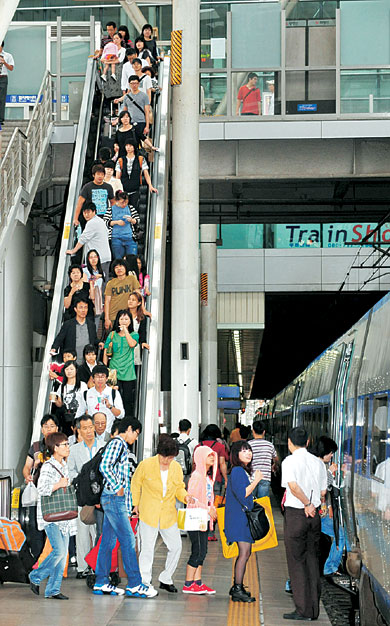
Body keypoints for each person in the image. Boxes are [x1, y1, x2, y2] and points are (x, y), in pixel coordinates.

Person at [93, 416, 158, 598]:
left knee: (108, 541)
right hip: (114, 498)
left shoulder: (118, 444)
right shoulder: (118, 443)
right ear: (128, 429)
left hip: (113, 499)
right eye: (135, 433)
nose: (135, 438)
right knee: (128, 541)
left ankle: (101, 581)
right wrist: (117, 487)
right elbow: (105, 466)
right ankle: (135, 584)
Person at [131, 434, 194, 593]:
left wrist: (185, 497)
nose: (166, 461)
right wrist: (135, 504)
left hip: (168, 514)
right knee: (147, 549)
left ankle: (166, 578)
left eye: (170, 458)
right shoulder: (146, 465)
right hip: (148, 513)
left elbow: (179, 487)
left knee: (176, 546)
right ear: (158, 453)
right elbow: (135, 484)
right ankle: (144, 581)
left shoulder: (176, 468)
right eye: (164, 457)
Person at [281, 426, 327, 622]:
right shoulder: (318, 462)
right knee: (312, 560)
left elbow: (292, 486)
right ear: (308, 441)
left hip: (297, 514)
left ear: (290, 442)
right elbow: (323, 492)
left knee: (296, 562)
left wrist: (306, 503)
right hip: (314, 516)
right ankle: (314, 608)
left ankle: (303, 610)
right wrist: (314, 504)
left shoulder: (289, 461)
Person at [29, 432, 77, 600]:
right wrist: (59, 484)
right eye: (64, 445)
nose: (67, 447)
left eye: (67, 444)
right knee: (59, 552)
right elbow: (41, 489)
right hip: (51, 516)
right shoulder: (49, 466)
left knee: (63, 555)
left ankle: (53, 589)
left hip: (62, 517)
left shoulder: (63, 464)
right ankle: (35, 577)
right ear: (55, 448)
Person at [224, 440, 263, 603]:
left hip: (239, 518)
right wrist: (256, 480)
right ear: (236, 454)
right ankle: (237, 588)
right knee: (244, 553)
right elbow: (243, 494)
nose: (248, 453)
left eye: (249, 450)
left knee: (245, 553)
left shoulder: (239, 471)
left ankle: (237, 586)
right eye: (244, 451)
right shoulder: (238, 471)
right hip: (239, 519)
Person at [68, 415, 105, 579]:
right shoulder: (74, 450)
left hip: (101, 498)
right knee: (82, 533)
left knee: (100, 532)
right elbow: (69, 472)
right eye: (85, 428)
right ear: (79, 431)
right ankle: (83, 568)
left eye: (91, 427)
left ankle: (98, 565)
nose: (89, 431)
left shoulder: (104, 447)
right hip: (82, 497)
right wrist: (84, 479)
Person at [22, 415, 59, 560]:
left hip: (55, 493)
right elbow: (26, 467)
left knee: (55, 525)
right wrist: (27, 475)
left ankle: (53, 557)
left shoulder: (62, 444)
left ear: (57, 428)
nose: (49, 429)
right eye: (46, 426)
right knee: (34, 524)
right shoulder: (36, 447)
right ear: (42, 429)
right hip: (38, 493)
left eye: (51, 426)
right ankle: (38, 557)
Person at [182, 445, 218, 595]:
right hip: (196, 519)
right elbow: (192, 500)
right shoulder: (197, 476)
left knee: (203, 550)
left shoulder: (206, 477)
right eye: (209, 455)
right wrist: (208, 509)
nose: (212, 458)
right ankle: (188, 584)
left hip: (203, 519)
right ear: (201, 457)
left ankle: (198, 582)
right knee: (197, 551)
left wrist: (211, 509)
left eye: (213, 455)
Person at [311, 436, 345, 577]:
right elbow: (322, 488)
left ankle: (292, 583)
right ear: (323, 451)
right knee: (341, 535)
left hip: (318, 513)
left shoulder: (314, 463)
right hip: (316, 514)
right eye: (330, 452)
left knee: (307, 550)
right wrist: (330, 473)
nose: (331, 456)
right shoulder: (318, 465)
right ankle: (330, 567)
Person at [195, 424, 229, 541]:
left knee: (200, 503)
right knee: (214, 505)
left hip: (200, 479)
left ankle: (200, 529)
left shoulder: (198, 446)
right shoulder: (219, 446)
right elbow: (222, 464)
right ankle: (211, 532)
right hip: (216, 479)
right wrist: (226, 479)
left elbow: (195, 463)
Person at [103, 309, 138, 417]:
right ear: (117, 320)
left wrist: (126, 331)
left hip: (128, 371)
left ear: (130, 321)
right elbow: (105, 350)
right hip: (114, 370)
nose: (123, 321)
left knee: (128, 400)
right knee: (114, 397)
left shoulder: (134, 334)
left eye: (126, 319)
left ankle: (127, 421)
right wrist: (105, 367)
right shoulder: (113, 334)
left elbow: (132, 344)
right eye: (121, 318)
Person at [67, 203, 112, 280]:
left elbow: (83, 239)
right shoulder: (100, 221)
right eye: (84, 212)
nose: (86, 215)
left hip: (98, 259)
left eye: (88, 212)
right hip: (105, 257)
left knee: (98, 283)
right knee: (103, 282)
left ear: (94, 212)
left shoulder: (92, 223)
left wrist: (73, 251)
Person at [51, 297, 98, 362]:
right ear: (75, 309)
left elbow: (94, 339)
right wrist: (54, 348)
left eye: (85, 307)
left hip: (87, 361)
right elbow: (60, 338)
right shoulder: (68, 324)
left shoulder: (91, 324)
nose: (83, 310)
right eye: (81, 307)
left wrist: (100, 342)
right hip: (72, 361)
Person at [119, 76, 157, 151]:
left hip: (141, 122)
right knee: (130, 141)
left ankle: (140, 153)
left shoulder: (144, 96)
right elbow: (124, 112)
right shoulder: (126, 97)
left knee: (138, 138)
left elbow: (146, 111)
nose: (134, 85)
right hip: (130, 123)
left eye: (136, 83)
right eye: (132, 83)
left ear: (139, 84)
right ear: (129, 84)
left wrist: (147, 126)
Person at [115, 141, 157, 209]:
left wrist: (150, 186)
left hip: (135, 189)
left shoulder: (140, 159)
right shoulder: (120, 160)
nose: (128, 147)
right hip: (123, 190)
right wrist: (117, 189)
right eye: (127, 146)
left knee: (134, 209)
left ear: (134, 147)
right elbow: (118, 177)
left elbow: (146, 173)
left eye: (130, 146)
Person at [85, 365, 125, 434]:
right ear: (93, 379)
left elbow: (121, 415)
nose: (100, 379)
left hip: (108, 433)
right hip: (91, 434)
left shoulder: (114, 393)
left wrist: (110, 407)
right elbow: (79, 415)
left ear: (106, 379)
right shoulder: (86, 393)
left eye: (102, 376)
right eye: (97, 376)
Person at [104, 258, 140, 330]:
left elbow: (138, 296)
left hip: (128, 316)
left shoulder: (132, 279)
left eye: (121, 266)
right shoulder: (110, 283)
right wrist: (106, 318)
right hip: (113, 316)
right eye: (116, 267)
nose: (119, 269)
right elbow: (107, 301)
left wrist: (143, 310)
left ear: (125, 267)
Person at [52, 361, 87, 435]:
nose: (69, 371)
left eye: (71, 369)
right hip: (67, 419)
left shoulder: (82, 385)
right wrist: (54, 399)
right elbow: (60, 404)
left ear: (76, 370)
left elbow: (85, 402)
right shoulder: (62, 386)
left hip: (80, 417)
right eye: (67, 369)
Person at [104, 190, 139, 258]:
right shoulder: (111, 209)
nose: (124, 204)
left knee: (132, 258)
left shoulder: (130, 208)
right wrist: (116, 222)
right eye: (122, 202)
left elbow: (137, 220)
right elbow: (105, 221)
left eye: (126, 202)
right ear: (117, 201)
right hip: (116, 238)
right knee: (118, 259)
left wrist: (132, 220)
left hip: (129, 238)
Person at [249, 420, 278, 498]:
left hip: (252, 477)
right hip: (265, 476)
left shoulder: (249, 445)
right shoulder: (270, 445)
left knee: (251, 502)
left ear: (253, 431)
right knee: (263, 502)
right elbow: (276, 458)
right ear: (264, 432)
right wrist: (274, 464)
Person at [82, 249, 105, 331]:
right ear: (88, 259)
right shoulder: (85, 271)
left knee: (96, 321)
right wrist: (96, 277)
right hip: (89, 297)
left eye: (95, 257)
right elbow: (85, 285)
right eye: (91, 257)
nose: (93, 259)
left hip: (99, 298)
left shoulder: (101, 272)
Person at [127, 292, 149, 370]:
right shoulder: (123, 314)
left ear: (139, 303)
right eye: (129, 299)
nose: (130, 301)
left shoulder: (142, 318)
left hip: (135, 349)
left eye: (133, 300)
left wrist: (143, 342)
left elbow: (142, 332)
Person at [0, 41, 14, 124]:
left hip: (3, 78)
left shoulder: (8, 56)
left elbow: (11, 68)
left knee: (2, 98)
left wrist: (4, 62)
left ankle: (1, 119)